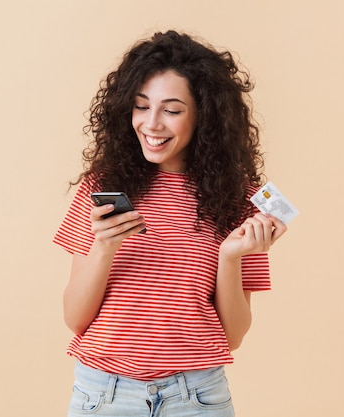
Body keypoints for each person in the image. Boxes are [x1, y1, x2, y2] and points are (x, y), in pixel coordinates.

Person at [53, 30, 287, 417]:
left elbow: (233, 336)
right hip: (104, 395)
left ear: (204, 117)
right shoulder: (103, 188)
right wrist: (104, 247)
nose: (152, 124)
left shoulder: (238, 200)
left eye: (172, 110)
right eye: (141, 106)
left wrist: (229, 257)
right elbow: (74, 319)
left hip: (196, 397)